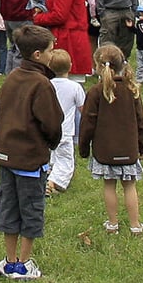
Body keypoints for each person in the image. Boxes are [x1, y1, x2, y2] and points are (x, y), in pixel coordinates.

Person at [0, 24, 61, 280]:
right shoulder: (41, 84)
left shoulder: (11, 77)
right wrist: (50, 143)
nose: (53, 54)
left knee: (8, 206)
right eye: (50, 50)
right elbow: (52, 124)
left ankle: (9, 259)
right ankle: (22, 262)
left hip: (6, 156)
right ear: (37, 55)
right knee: (30, 209)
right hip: (30, 160)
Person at [79, 44, 143, 235]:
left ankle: (112, 224)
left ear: (99, 66)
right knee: (130, 185)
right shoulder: (132, 89)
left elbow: (87, 123)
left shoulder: (95, 92)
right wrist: (142, 148)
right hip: (128, 149)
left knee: (109, 184)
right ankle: (135, 225)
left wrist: (84, 149)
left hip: (104, 151)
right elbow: (141, 122)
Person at [41, 48, 83, 194]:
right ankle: (53, 182)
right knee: (65, 159)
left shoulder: (46, 84)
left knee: (50, 153)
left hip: (47, 128)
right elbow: (82, 108)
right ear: (70, 66)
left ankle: (47, 174)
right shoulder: (75, 87)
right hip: (65, 130)